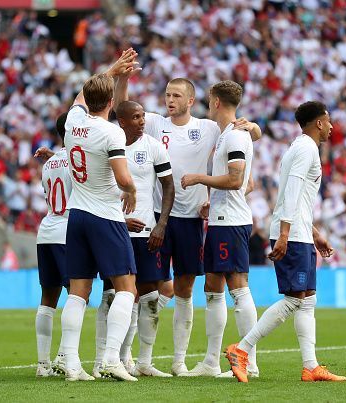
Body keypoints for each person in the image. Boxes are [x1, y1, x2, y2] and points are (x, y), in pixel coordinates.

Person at [115, 71, 261, 376]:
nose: (170, 100)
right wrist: (122, 79)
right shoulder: (155, 123)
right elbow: (122, 108)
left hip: (193, 219)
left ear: (191, 101)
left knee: (184, 289)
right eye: (167, 94)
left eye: (176, 96)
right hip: (158, 217)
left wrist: (253, 127)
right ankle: (141, 360)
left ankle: (179, 361)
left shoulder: (208, 128)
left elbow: (245, 135)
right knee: (147, 288)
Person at [225, 101, 346, 383]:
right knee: (294, 300)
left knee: (307, 301)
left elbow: (298, 198)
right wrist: (284, 234)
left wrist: (314, 234)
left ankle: (311, 366)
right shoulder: (306, 149)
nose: (331, 127)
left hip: (298, 231)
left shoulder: (299, 147)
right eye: (328, 121)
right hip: (291, 233)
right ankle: (241, 349)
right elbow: (291, 192)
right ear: (318, 123)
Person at [60, 49, 140, 382]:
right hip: (104, 215)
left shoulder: (72, 121)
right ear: (110, 102)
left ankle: (69, 360)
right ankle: (110, 359)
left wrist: (111, 71)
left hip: (76, 215)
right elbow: (122, 178)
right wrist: (132, 191)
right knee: (127, 289)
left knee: (78, 292)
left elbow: (82, 94)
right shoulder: (111, 133)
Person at [180, 80, 259, 378]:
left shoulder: (236, 136)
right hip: (219, 220)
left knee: (238, 287)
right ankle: (211, 362)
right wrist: (213, 204)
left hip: (232, 223)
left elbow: (237, 180)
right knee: (212, 288)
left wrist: (201, 178)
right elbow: (244, 183)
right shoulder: (233, 132)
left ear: (215, 101)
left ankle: (249, 362)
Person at [94, 100, 175, 378]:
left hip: (146, 233)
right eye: (137, 117)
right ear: (123, 121)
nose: (143, 121)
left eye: (143, 116)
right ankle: (107, 358)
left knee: (150, 296)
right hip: (114, 230)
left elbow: (168, 186)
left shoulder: (153, 146)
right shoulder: (108, 144)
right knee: (113, 296)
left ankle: (143, 361)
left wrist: (161, 224)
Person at [33, 112, 72, 377]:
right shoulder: (81, 159)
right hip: (68, 232)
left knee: (48, 299)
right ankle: (62, 356)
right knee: (78, 294)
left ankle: (42, 364)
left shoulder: (48, 163)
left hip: (46, 231)